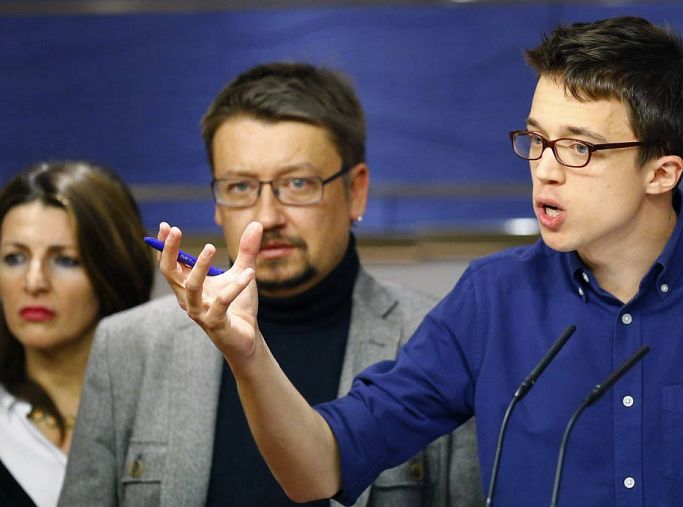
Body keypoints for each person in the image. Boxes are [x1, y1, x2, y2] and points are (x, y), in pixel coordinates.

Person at [153, 17, 683, 506]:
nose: (543, 169)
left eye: (578, 147)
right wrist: (246, 355)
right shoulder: (492, 298)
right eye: (536, 140)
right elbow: (319, 467)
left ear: (661, 171)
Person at [60, 62, 482, 506]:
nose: (267, 216)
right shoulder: (129, 345)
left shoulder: (439, 339)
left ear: (355, 191)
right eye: (240, 187)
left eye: (297, 183)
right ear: (217, 202)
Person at [0, 161, 154, 507]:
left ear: (112, 271)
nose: (34, 282)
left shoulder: (163, 411)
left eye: (65, 260)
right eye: (14, 258)